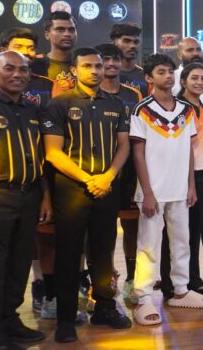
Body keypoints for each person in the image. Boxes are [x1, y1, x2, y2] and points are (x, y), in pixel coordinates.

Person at [43, 47, 132, 342]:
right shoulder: (59, 104)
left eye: (98, 65)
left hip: (107, 188)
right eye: (88, 66)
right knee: (69, 255)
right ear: (75, 69)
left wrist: (107, 177)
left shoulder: (117, 105)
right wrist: (88, 179)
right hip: (71, 190)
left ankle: (104, 307)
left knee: (104, 253)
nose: (94, 71)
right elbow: (53, 153)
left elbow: (124, 147)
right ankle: (66, 319)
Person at [129, 54, 203, 326]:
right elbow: (138, 153)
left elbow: (188, 148)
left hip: (179, 188)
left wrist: (190, 184)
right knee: (148, 246)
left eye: (170, 71)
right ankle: (142, 297)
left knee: (182, 241)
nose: (168, 76)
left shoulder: (185, 110)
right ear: (149, 78)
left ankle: (180, 289)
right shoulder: (141, 109)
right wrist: (147, 192)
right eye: (161, 72)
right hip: (154, 190)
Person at [0, 51, 51, 349]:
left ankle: (11, 321)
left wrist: (45, 197)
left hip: (29, 197)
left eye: (23, 69)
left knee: (19, 265)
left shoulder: (33, 110)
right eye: (9, 68)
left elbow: (42, 159)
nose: (17, 74)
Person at [93, 43, 143, 303]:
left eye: (115, 59)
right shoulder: (86, 94)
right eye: (105, 60)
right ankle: (102, 280)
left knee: (132, 228)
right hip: (99, 171)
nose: (111, 64)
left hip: (129, 174)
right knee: (101, 231)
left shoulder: (133, 94)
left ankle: (132, 280)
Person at [162, 64, 203, 298]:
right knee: (175, 231)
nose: (199, 82)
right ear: (182, 81)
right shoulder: (179, 108)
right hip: (184, 176)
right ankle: (172, 279)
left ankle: (189, 276)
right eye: (194, 78)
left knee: (194, 230)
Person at [31, 11, 77, 97]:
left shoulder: (84, 64)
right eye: (60, 29)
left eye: (71, 30)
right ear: (47, 35)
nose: (67, 34)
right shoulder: (35, 64)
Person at [111, 23, 147, 97]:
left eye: (136, 42)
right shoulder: (104, 74)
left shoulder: (146, 76)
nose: (132, 46)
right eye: (127, 41)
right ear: (115, 43)